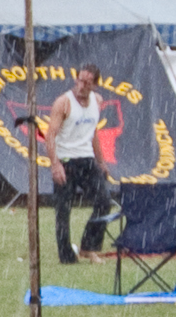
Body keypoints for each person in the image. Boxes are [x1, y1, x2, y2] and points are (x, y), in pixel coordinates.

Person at [37, 64, 117, 263]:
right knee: (63, 210)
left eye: (87, 83)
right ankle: (66, 256)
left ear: (95, 86)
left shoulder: (97, 101)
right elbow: (50, 136)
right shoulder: (63, 103)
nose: (81, 86)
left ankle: (89, 246)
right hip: (66, 159)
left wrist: (101, 161)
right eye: (79, 80)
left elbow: (93, 133)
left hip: (86, 158)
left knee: (103, 201)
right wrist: (55, 165)